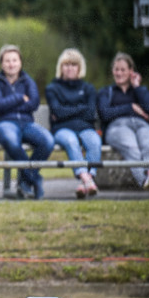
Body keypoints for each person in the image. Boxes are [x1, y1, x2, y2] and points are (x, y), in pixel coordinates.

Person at [97, 52, 149, 199]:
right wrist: (130, 107)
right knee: (131, 146)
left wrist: (137, 86)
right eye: (116, 69)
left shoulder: (139, 90)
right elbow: (104, 114)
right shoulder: (106, 92)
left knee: (148, 142)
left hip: (140, 125)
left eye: (123, 69)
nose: (119, 73)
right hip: (117, 127)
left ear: (131, 71)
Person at [0, 44, 54, 199]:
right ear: (1, 64)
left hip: (27, 124)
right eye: (7, 61)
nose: (11, 64)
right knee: (12, 140)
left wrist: (11, 103)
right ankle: (35, 179)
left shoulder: (28, 81)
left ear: (20, 62)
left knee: (48, 141)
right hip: (4, 125)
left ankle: (25, 181)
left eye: (14, 60)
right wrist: (19, 97)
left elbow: (34, 103)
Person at [46, 48, 101, 198]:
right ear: (61, 67)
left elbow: (91, 113)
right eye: (66, 64)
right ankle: (86, 178)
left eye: (74, 65)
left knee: (95, 141)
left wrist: (67, 111)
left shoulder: (88, 88)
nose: (70, 68)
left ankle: (85, 183)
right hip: (61, 130)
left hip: (85, 128)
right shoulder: (52, 88)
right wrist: (80, 109)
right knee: (71, 141)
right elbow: (58, 112)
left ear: (79, 67)